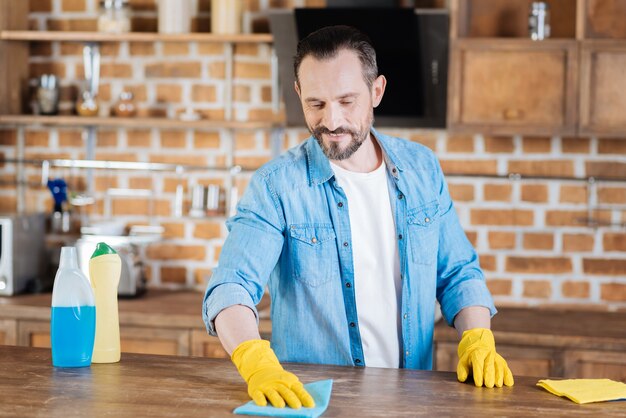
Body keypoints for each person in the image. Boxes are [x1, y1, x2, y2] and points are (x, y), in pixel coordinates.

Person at [202, 25, 514, 409]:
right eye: (316, 104)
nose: (331, 122)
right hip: (313, 404)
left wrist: (477, 337)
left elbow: (459, 274)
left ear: (376, 91)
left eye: (346, 101)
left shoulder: (422, 169)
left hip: (411, 402)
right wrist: (256, 363)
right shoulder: (276, 186)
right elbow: (230, 288)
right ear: (298, 93)